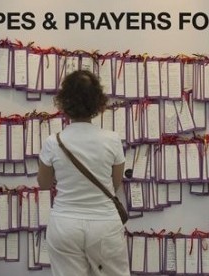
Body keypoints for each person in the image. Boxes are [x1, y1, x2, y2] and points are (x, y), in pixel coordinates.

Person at [37, 70, 130, 276]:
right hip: (104, 224)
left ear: (64, 102)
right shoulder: (112, 139)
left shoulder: (53, 142)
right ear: (98, 101)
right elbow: (114, 184)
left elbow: (43, 184)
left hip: (64, 224)